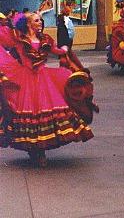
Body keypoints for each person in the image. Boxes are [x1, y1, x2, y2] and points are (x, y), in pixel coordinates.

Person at [0, 12, 96, 167]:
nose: (40, 23)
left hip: (44, 79)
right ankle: (35, 151)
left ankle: (41, 149)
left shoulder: (45, 39)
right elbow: (3, 39)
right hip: (25, 79)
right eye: (37, 20)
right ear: (28, 24)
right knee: (31, 113)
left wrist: (65, 50)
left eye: (40, 20)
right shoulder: (18, 39)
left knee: (53, 108)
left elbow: (57, 51)